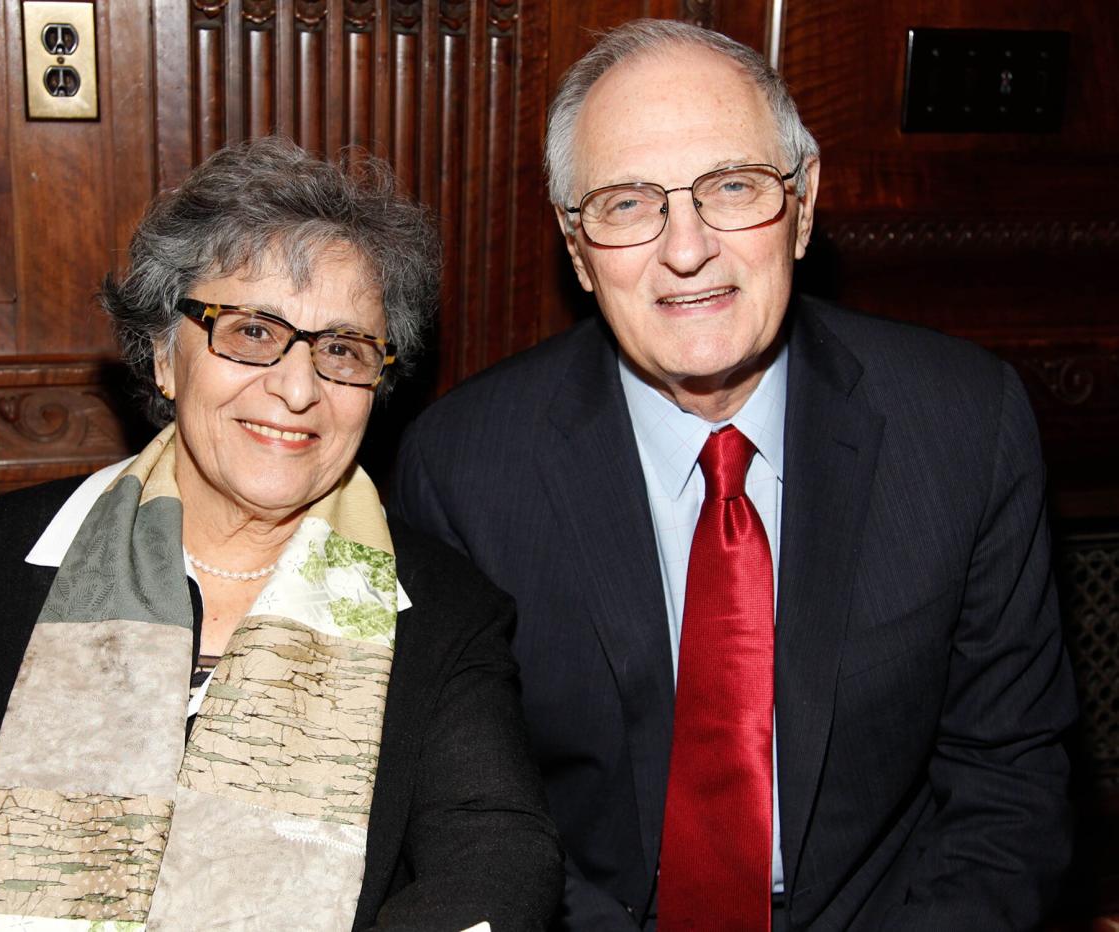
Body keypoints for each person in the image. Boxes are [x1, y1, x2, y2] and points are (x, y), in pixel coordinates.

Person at [391, 19, 1076, 931]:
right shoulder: (464, 470)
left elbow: (1009, 780)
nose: (687, 249)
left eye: (732, 187)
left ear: (803, 204)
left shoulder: (964, 424)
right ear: (576, 246)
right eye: (628, 203)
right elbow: (477, 822)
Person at [0, 136, 562, 931]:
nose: (298, 388)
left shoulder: (447, 614)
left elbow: (500, 863)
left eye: (342, 348)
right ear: (166, 355)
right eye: (252, 332)